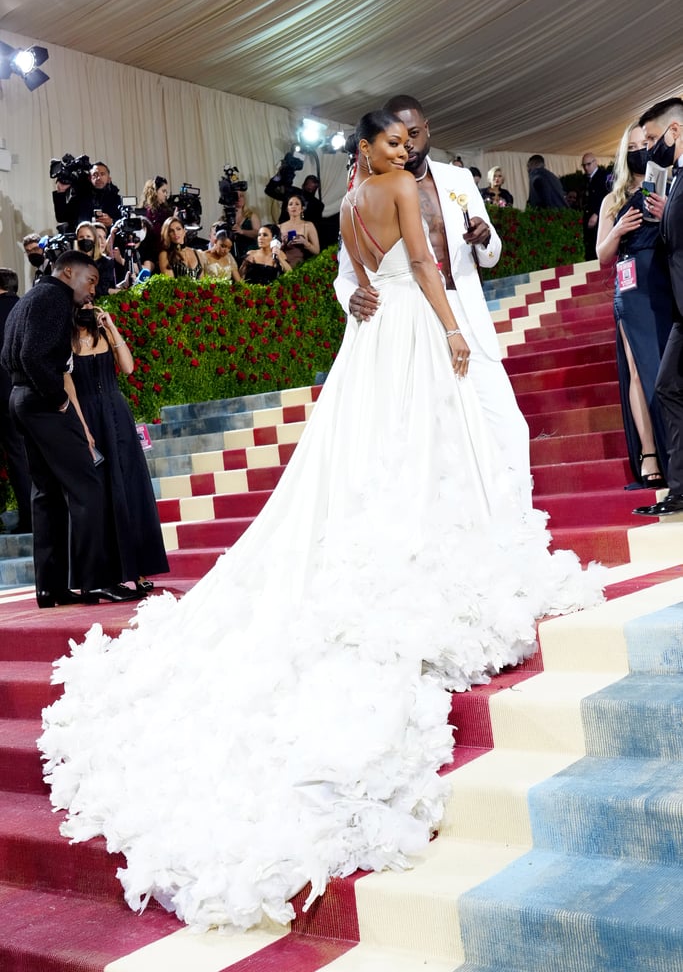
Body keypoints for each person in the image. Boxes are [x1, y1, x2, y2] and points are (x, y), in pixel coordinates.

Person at [38, 111, 603, 935]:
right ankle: (426, 550)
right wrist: (449, 329)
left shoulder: (346, 207)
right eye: (389, 141)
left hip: (370, 340)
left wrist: (379, 294)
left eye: (405, 142)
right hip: (411, 328)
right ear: (369, 147)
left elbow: (360, 278)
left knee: (376, 447)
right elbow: (418, 262)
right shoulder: (403, 190)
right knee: (423, 442)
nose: (403, 150)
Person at [335, 93, 531, 511]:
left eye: (413, 135)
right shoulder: (372, 191)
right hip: (412, 319)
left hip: (462, 311)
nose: (407, 146)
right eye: (397, 139)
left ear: (428, 130)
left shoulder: (458, 181)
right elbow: (348, 275)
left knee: (507, 426)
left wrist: (486, 238)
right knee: (431, 435)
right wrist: (350, 297)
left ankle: (519, 519)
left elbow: (491, 253)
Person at [0, 251, 136, 607]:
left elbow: (7, 355)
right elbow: (32, 356)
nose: (93, 289)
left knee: (45, 495)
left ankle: (51, 587)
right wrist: (58, 398)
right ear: (68, 272)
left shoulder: (29, 298)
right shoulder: (53, 299)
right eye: (89, 280)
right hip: (43, 403)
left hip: (19, 399)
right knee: (87, 487)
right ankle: (95, 582)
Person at [66, 302, 169, 595]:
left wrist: (111, 327)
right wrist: (82, 427)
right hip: (88, 416)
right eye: (83, 303)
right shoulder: (66, 341)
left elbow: (128, 367)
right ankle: (106, 575)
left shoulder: (104, 335)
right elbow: (69, 388)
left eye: (91, 302)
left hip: (117, 414)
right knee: (101, 493)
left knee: (131, 487)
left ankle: (138, 571)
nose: (88, 306)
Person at [596, 121, 671, 489]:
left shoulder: (667, 186)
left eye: (649, 143)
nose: (643, 149)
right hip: (631, 289)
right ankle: (649, 452)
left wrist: (666, 211)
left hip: (665, 283)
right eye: (637, 144)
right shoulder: (613, 198)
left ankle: (676, 449)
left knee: (667, 370)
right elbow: (601, 256)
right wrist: (618, 229)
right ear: (626, 151)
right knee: (640, 371)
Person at [634, 97, 683, 516]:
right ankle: (681, 489)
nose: (649, 149)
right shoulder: (676, 178)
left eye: (652, 138)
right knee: (668, 386)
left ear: (674, 132)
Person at [0, 268, 32, 533]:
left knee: (17, 457)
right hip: (31, 391)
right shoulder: (25, 308)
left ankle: (29, 517)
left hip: (3, 396)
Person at [53, 160, 123, 232]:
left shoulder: (116, 199)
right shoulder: (80, 197)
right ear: (89, 178)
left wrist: (112, 222)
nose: (98, 178)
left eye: (102, 174)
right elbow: (61, 217)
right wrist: (61, 192)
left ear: (109, 179)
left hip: (107, 239)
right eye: (95, 175)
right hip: (82, 238)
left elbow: (125, 221)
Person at [265, 169, 324, 235]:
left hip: (301, 235)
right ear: (303, 185)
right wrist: (279, 175)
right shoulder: (291, 192)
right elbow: (269, 190)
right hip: (284, 231)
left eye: (311, 188)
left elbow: (316, 227)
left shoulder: (318, 205)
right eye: (308, 185)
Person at [278, 192, 321, 267]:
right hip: (282, 265)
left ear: (302, 208)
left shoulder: (308, 225)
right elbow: (271, 251)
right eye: (290, 204)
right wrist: (282, 244)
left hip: (301, 266)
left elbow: (317, 251)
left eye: (297, 204)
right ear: (287, 209)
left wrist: (305, 243)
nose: (293, 206)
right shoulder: (279, 227)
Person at [75, 221, 117, 295]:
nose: (85, 240)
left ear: (94, 239)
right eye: (81, 237)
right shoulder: (73, 261)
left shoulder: (106, 262)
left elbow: (103, 289)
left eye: (88, 236)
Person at [581, 152, 609, 261]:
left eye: (588, 164)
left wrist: (597, 213)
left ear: (595, 162)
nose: (586, 168)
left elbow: (606, 197)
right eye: (584, 165)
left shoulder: (603, 176)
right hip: (590, 216)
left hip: (600, 217)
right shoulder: (586, 179)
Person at [230, 190, 261, 264]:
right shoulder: (226, 217)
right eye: (236, 196)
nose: (238, 199)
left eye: (241, 196)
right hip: (232, 254)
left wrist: (242, 231)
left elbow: (257, 233)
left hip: (250, 253)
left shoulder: (252, 215)